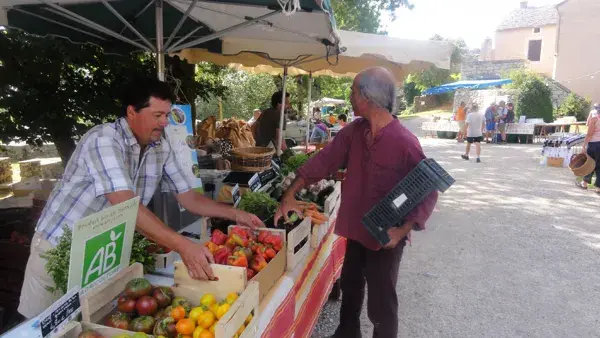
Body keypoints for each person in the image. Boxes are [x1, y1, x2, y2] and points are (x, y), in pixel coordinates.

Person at [18, 79, 265, 318]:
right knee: (40, 325)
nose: (165, 123)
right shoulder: (104, 140)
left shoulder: (161, 147)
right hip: (60, 246)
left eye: (167, 115)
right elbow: (127, 207)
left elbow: (189, 197)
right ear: (131, 112)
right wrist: (182, 245)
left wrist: (235, 213)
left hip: (102, 252)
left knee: (88, 323)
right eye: (157, 115)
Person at [274, 67, 438, 338]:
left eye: (353, 91)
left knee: (382, 306)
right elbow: (323, 161)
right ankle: (347, 333)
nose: (349, 96)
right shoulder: (355, 132)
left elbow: (428, 188)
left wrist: (402, 231)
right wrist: (290, 192)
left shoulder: (404, 142)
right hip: (356, 230)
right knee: (351, 288)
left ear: (368, 97)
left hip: (385, 237)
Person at [578, 113, 600, 193]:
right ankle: (598, 188)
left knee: (590, 164)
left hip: (594, 144)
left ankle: (584, 183)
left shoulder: (595, 119)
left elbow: (590, 134)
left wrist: (584, 146)